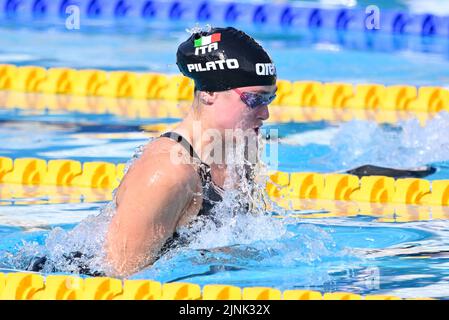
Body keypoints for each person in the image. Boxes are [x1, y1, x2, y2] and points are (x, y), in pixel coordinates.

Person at [105, 27, 278, 277]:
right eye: (254, 100)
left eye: (269, 99)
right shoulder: (168, 173)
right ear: (209, 93)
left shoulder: (242, 148)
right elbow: (116, 278)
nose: (265, 114)